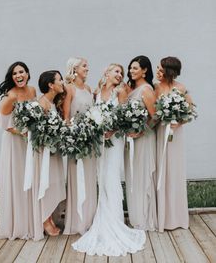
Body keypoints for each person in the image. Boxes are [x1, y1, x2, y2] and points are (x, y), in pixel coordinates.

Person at [72, 64, 146, 256]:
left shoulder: (121, 91)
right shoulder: (97, 91)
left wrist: (111, 130)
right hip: (100, 141)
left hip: (114, 141)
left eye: (121, 72)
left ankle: (115, 221)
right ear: (106, 73)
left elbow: (123, 118)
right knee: (102, 178)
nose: (120, 74)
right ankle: (103, 218)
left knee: (111, 177)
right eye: (116, 71)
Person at [0, 61, 36, 239]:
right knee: (18, 178)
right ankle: (18, 224)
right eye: (15, 73)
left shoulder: (32, 91)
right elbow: (4, 125)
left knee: (30, 178)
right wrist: (24, 133)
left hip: (29, 141)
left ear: (27, 74)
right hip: (15, 142)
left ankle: (32, 219)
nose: (19, 76)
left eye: (22, 72)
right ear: (11, 77)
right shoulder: (10, 97)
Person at [155, 56, 192, 232]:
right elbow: (152, 112)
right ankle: (162, 216)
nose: (158, 72)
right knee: (162, 170)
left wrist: (180, 122)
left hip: (175, 136)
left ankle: (176, 217)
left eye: (160, 69)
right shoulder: (156, 87)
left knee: (174, 172)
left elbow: (190, 111)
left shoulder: (181, 88)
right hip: (160, 133)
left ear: (169, 71)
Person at [63, 57, 97, 235]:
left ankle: (90, 219)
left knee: (90, 178)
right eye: (84, 66)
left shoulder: (89, 89)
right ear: (74, 69)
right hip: (76, 143)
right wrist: (73, 138)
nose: (87, 68)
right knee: (78, 179)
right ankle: (77, 222)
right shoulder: (69, 89)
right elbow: (66, 117)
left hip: (90, 142)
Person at [124, 56, 158, 231]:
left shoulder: (146, 90)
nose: (131, 71)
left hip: (143, 139)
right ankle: (135, 215)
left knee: (141, 175)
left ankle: (144, 217)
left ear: (145, 70)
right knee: (133, 175)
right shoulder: (131, 90)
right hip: (131, 139)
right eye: (130, 68)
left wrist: (141, 131)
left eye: (135, 68)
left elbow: (155, 116)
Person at [32, 70, 66, 240]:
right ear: (51, 85)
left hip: (54, 152)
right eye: (59, 80)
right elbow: (36, 131)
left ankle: (50, 217)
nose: (62, 82)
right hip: (45, 153)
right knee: (45, 183)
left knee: (54, 183)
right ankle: (44, 221)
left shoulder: (52, 103)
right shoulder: (42, 103)